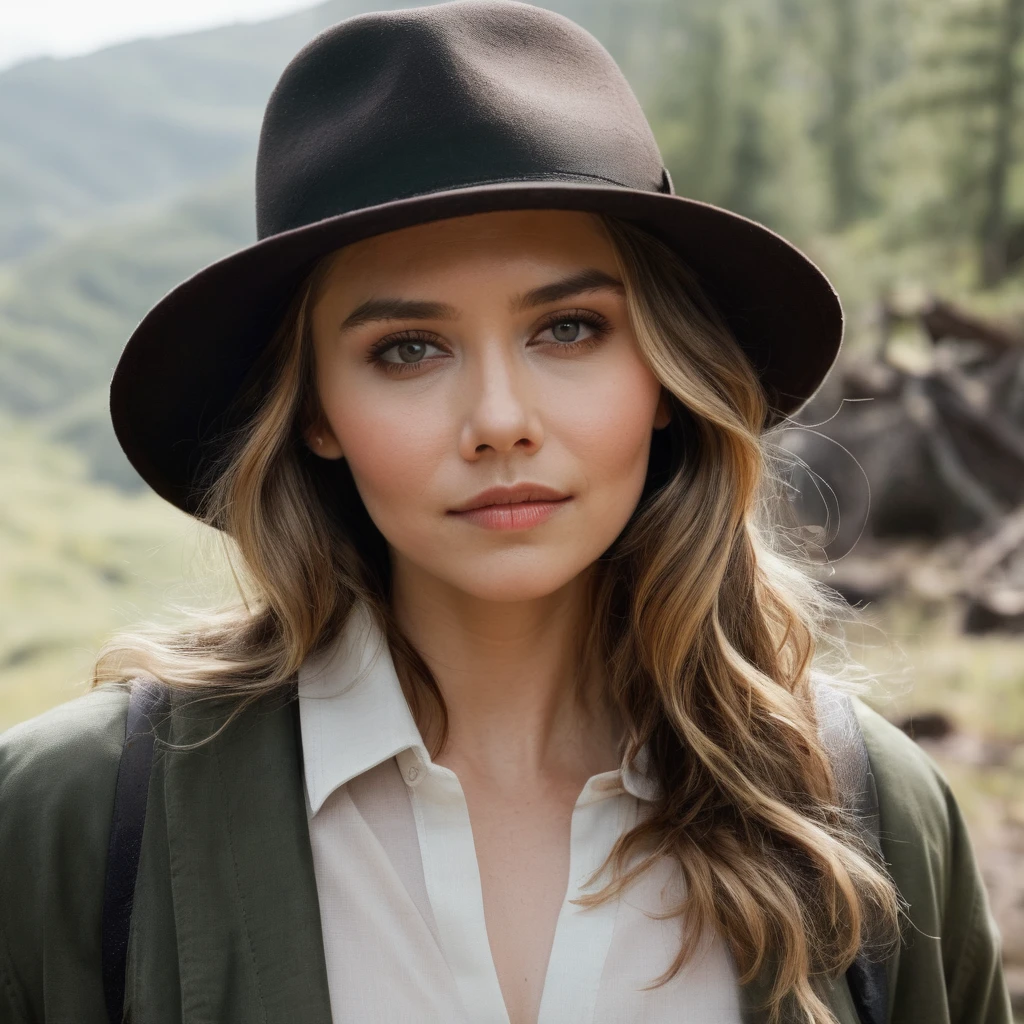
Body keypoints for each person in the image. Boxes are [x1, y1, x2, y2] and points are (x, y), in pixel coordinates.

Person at [0, 2, 1012, 1023]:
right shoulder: (69, 822)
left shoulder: (868, 809)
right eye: (407, 348)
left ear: (662, 373)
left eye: (567, 329)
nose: (498, 421)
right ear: (315, 411)